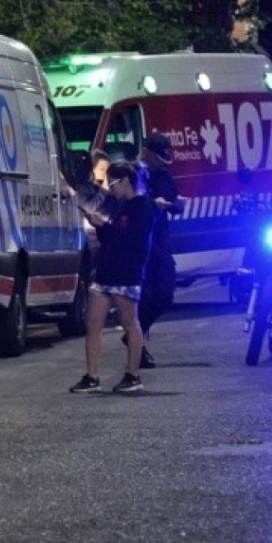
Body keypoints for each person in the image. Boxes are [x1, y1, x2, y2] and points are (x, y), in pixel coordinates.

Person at [68, 161, 154, 394]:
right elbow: (113, 237)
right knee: (93, 322)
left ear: (126, 181)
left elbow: (130, 240)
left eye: (113, 183)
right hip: (106, 271)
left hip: (126, 273)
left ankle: (133, 374)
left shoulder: (142, 208)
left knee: (129, 323)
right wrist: (101, 226)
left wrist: (103, 225)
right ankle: (92, 376)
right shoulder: (120, 205)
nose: (111, 188)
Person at [134, 132, 186, 369]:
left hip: (160, 240)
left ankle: (136, 333)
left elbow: (173, 202)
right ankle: (139, 347)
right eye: (158, 157)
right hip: (137, 242)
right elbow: (125, 202)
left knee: (165, 293)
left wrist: (177, 204)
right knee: (141, 296)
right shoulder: (134, 173)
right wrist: (151, 203)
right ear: (147, 153)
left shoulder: (163, 173)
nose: (161, 163)